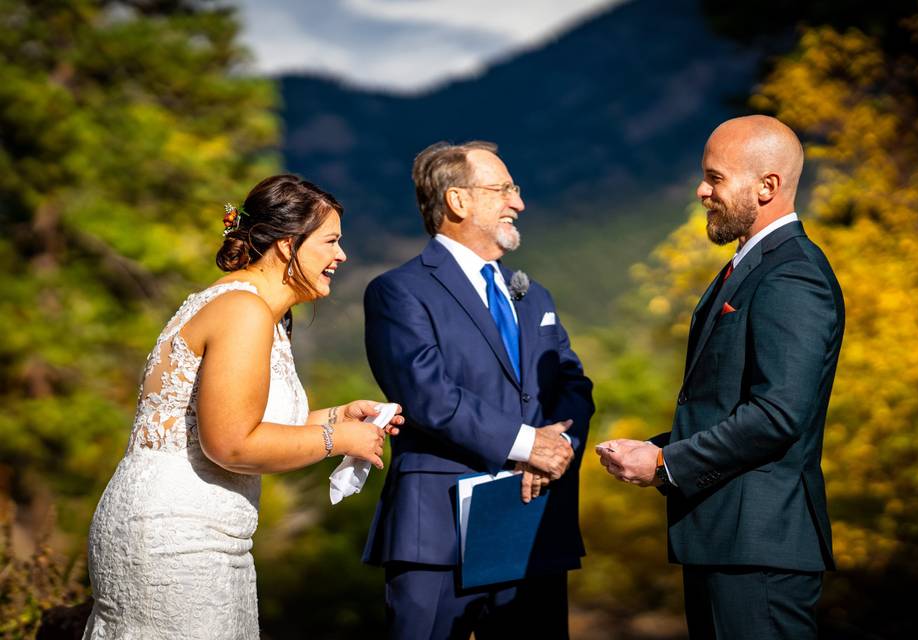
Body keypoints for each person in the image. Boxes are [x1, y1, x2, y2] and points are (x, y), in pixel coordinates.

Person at [82, 174, 403, 639]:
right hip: (177, 537)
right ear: (288, 245)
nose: (342, 256)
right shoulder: (243, 310)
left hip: (201, 532)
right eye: (331, 241)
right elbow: (231, 443)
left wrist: (336, 417)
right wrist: (336, 440)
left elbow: (242, 419)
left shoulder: (256, 312)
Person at [596, 115, 844, 639]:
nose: (701, 190)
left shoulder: (792, 273)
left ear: (767, 186)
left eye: (715, 177)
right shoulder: (750, 267)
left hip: (759, 549)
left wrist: (667, 463)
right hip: (727, 543)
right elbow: (728, 405)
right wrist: (655, 447)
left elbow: (778, 416)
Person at [362, 141, 594, 639]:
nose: (519, 202)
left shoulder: (536, 297)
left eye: (516, 189)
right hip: (436, 529)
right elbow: (428, 394)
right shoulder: (398, 291)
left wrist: (560, 449)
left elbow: (573, 382)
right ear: (458, 201)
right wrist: (531, 445)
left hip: (532, 519)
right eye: (504, 189)